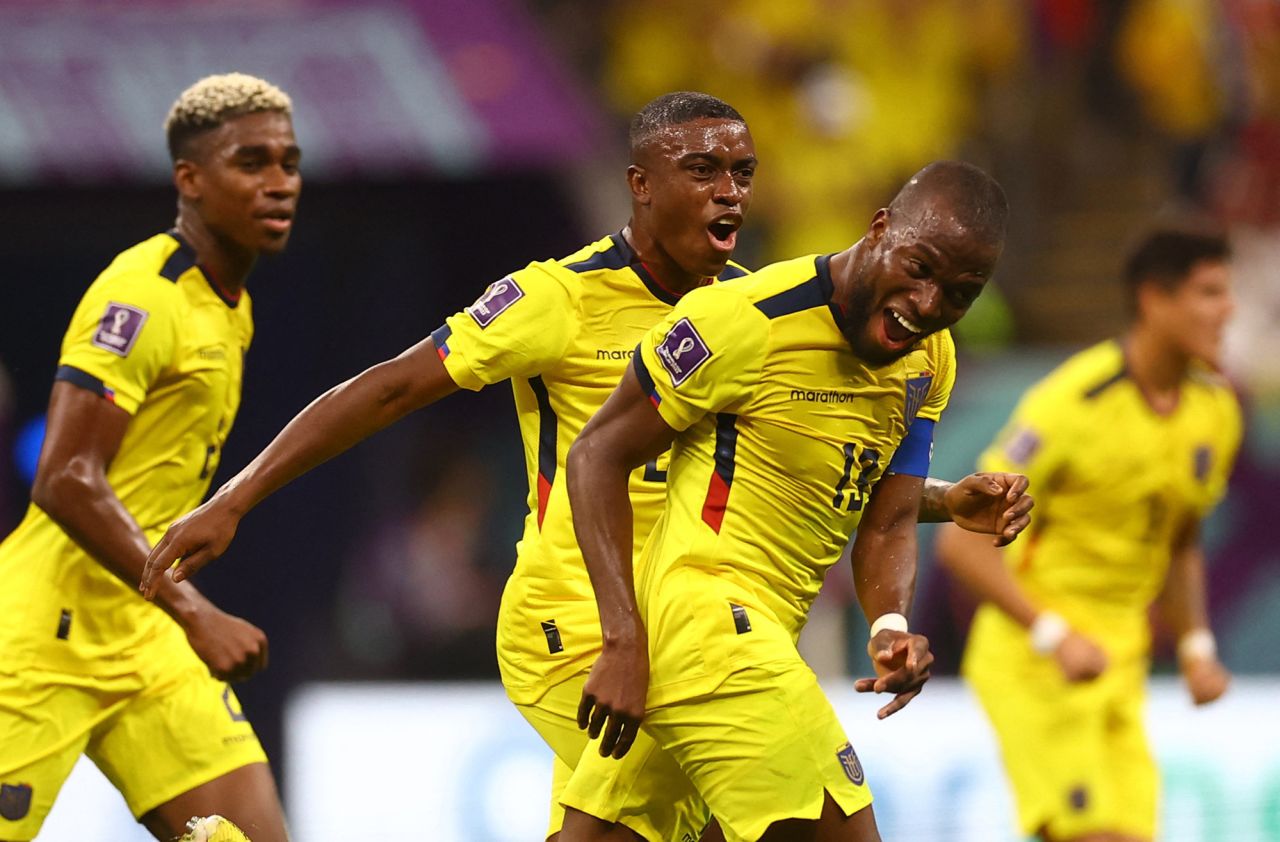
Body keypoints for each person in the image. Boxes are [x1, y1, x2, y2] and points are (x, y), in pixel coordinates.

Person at [141, 98, 1027, 841]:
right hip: (579, 623)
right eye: (703, 172)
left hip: (681, 618)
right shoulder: (558, 299)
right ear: (640, 185)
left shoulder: (752, 311)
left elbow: (808, 467)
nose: (729, 195)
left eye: (743, 174)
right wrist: (237, 496)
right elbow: (387, 391)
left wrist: (945, 501)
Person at [563, 160, 1012, 842]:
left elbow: (885, 512)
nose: (927, 303)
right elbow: (596, 453)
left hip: (752, 637)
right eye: (918, 267)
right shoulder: (743, 320)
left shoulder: (930, 360)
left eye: (959, 292)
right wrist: (622, 638)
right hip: (704, 627)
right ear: (880, 228)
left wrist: (888, 627)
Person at [0, 73, 298, 842]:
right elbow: (63, 478)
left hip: (145, 638)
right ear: (190, 181)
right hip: (42, 636)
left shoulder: (228, 305)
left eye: (289, 163)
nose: (279, 184)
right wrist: (195, 611)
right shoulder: (142, 295)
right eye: (252, 163)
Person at [935, 229, 1239, 842]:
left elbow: (1180, 537)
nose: (1228, 310)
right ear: (1154, 298)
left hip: (1117, 663)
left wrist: (1196, 648)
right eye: (1209, 293)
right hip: (1036, 659)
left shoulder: (1216, 414)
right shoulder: (1070, 404)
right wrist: (1054, 636)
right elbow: (959, 544)